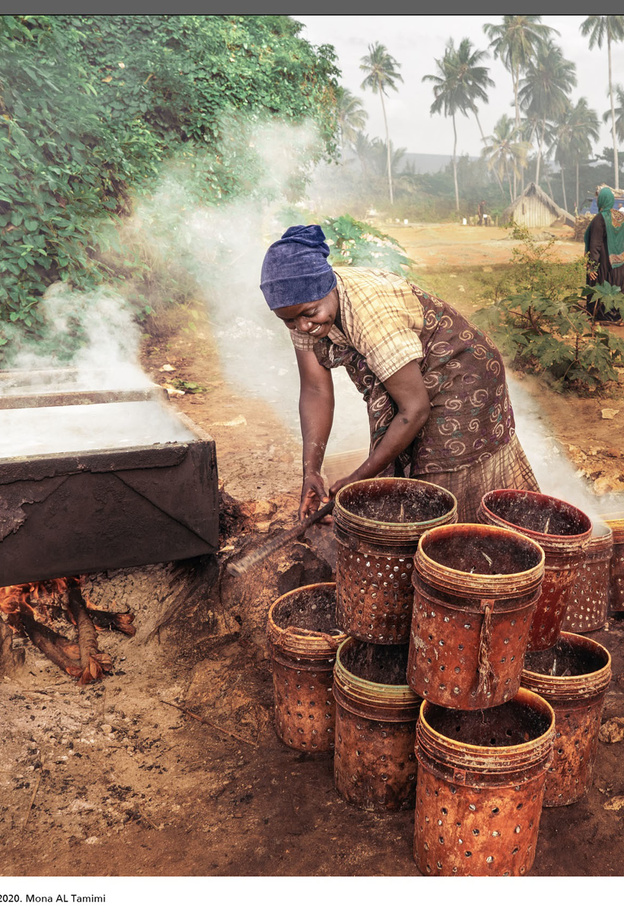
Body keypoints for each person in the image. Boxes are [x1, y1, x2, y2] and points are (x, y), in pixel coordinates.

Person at [260, 224, 540, 523]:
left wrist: (360, 477)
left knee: (439, 471)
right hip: (413, 377)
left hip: (462, 371)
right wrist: (311, 471)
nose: (303, 327)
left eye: (309, 314)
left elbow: (414, 409)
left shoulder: (371, 314)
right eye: (289, 321)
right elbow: (315, 390)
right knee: (407, 463)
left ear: (329, 287)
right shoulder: (302, 309)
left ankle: (471, 539)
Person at [584, 186, 624, 323]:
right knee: (618, 289)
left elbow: (595, 245)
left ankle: (602, 315)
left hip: (604, 263)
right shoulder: (620, 217)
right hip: (620, 263)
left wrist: (592, 266)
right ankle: (617, 315)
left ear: (601, 201)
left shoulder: (600, 219)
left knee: (601, 286)